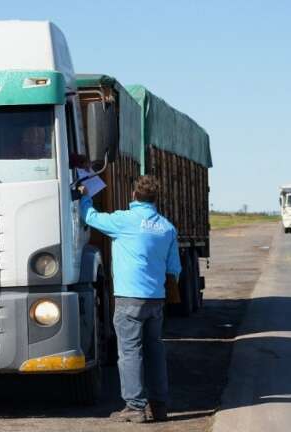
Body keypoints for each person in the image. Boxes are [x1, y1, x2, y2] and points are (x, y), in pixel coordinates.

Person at [79, 175, 181, 423]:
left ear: (134, 196)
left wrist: (84, 196)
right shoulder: (167, 228)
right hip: (156, 300)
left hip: (129, 299)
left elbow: (90, 217)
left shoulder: (123, 220)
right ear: (155, 199)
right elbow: (174, 269)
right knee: (155, 351)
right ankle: (159, 406)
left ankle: (135, 407)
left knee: (130, 352)